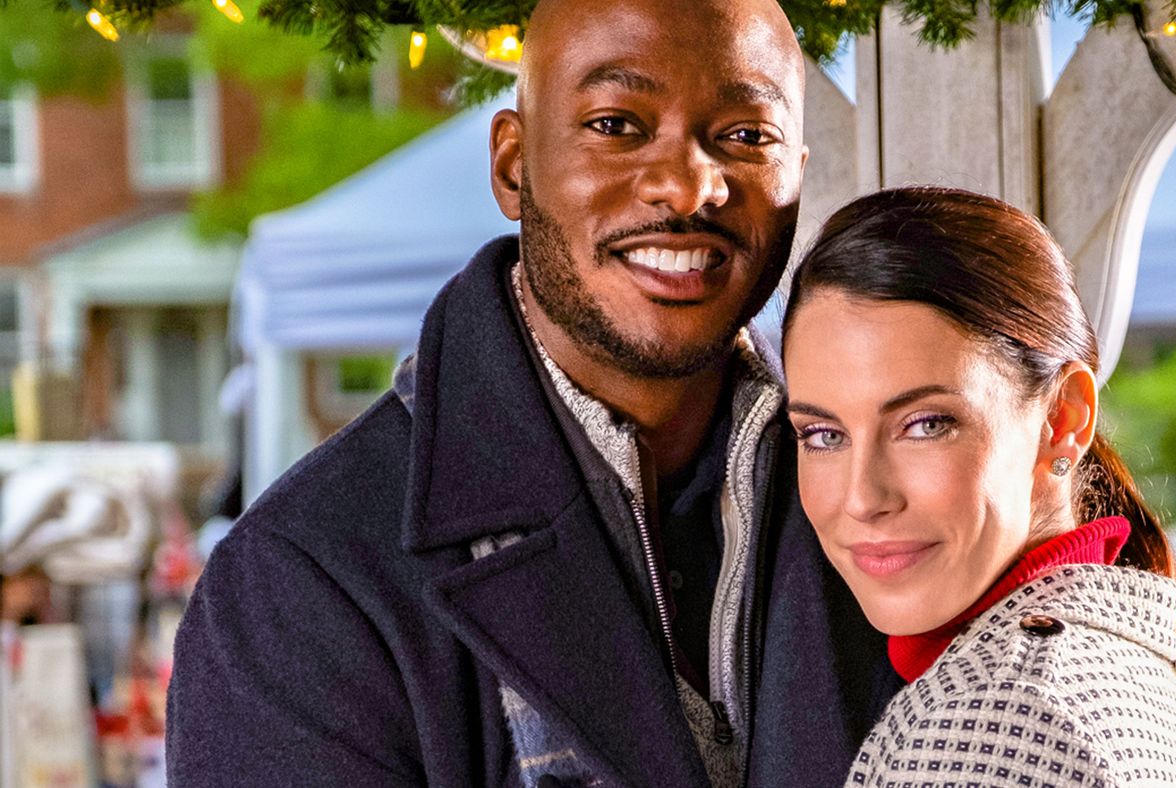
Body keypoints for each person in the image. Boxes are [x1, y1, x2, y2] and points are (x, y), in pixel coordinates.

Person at [165, 0, 898, 784]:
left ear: (797, 174)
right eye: (616, 125)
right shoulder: (301, 585)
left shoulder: (904, 504)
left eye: (746, 136)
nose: (687, 189)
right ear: (513, 167)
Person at [781, 186, 1176, 787]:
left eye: (926, 425)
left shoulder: (993, 722)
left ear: (1062, 420)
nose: (863, 499)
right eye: (823, 435)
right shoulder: (1115, 670)